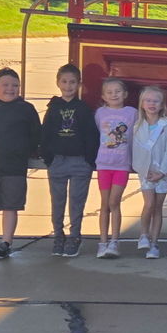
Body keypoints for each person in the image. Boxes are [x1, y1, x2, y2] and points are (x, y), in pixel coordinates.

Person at [0, 68, 41, 260]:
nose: (10, 89)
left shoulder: (26, 109)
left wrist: (24, 151)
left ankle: (6, 242)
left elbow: (35, 134)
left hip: (14, 167)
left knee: (11, 206)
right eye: (5, 85)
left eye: (15, 85)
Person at [40, 63, 98, 258]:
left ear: (79, 84)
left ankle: (75, 236)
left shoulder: (83, 108)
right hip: (58, 161)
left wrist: (89, 159)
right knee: (57, 201)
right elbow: (46, 133)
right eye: (64, 81)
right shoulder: (53, 107)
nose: (68, 86)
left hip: (80, 162)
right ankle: (58, 235)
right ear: (58, 83)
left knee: (76, 201)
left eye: (72, 82)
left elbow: (91, 134)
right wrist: (49, 157)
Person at [93, 78, 137, 259]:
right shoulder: (100, 113)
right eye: (109, 92)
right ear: (104, 96)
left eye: (117, 91)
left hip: (121, 166)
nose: (114, 95)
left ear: (125, 94)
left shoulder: (131, 113)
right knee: (104, 204)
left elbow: (136, 134)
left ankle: (114, 242)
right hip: (104, 164)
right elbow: (99, 133)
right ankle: (102, 242)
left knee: (114, 202)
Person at [132, 86, 167, 259]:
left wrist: (162, 172)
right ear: (142, 104)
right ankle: (144, 234)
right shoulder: (138, 126)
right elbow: (136, 152)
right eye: (148, 100)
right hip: (146, 173)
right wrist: (144, 170)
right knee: (149, 204)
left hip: (163, 173)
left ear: (162, 104)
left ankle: (154, 243)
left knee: (158, 207)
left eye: (155, 101)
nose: (151, 104)